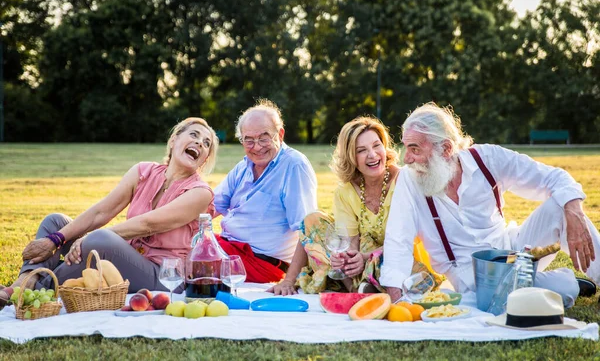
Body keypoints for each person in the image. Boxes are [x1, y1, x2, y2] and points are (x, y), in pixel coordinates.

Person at [381, 102, 600, 307]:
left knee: (561, 206)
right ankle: (560, 283)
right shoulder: (409, 180)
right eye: (406, 147)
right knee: (563, 289)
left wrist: (574, 212)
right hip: (470, 275)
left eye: (415, 149)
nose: (406, 158)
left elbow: (555, 178)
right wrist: (395, 299)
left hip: (512, 250)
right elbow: (398, 239)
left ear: (446, 149)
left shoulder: (488, 159)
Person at [0, 117, 218, 309]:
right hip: (126, 257)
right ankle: (23, 284)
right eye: (194, 135)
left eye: (206, 143)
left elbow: (148, 224)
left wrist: (91, 239)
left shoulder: (200, 193)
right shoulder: (144, 171)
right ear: (173, 141)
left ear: (204, 159)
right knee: (55, 222)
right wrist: (57, 239)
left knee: (101, 240)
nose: (200, 142)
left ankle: (32, 290)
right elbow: (101, 211)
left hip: (163, 275)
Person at [269, 116, 443, 295]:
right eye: (361, 150)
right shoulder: (346, 191)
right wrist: (346, 259)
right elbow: (350, 242)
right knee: (313, 221)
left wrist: (365, 256)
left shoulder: (405, 180)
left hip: (401, 260)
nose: (373, 155)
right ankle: (357, 287)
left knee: (370, 247)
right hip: (363, 261)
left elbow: (409, 239)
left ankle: (365, 287)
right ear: (351, 157)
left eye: (377, 145)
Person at [213, 99, 318, 283]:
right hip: (229, 249)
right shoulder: (244, 166)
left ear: (280, 134)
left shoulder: (294, 165)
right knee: (180, 245)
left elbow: (307, 229)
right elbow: (210, 205)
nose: (257, 147)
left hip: (260, 263)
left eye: (264, 138)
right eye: (249, 140)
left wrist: (289, 281)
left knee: (187, 257)